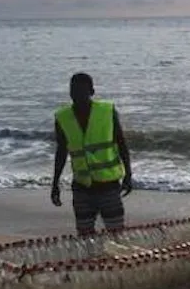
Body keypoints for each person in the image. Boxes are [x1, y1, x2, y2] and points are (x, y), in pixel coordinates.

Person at [51, 73, 133, 235]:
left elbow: (122, 143)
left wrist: (128, 175)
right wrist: (55, 183)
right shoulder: (62, 117)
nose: (77, 96)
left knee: (116, 233)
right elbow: (61, 152)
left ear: (92, 92)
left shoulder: (107, 111)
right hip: (81, 187)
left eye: (81, 91)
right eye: (73, 91)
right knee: (85, 236)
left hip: (108, 185)